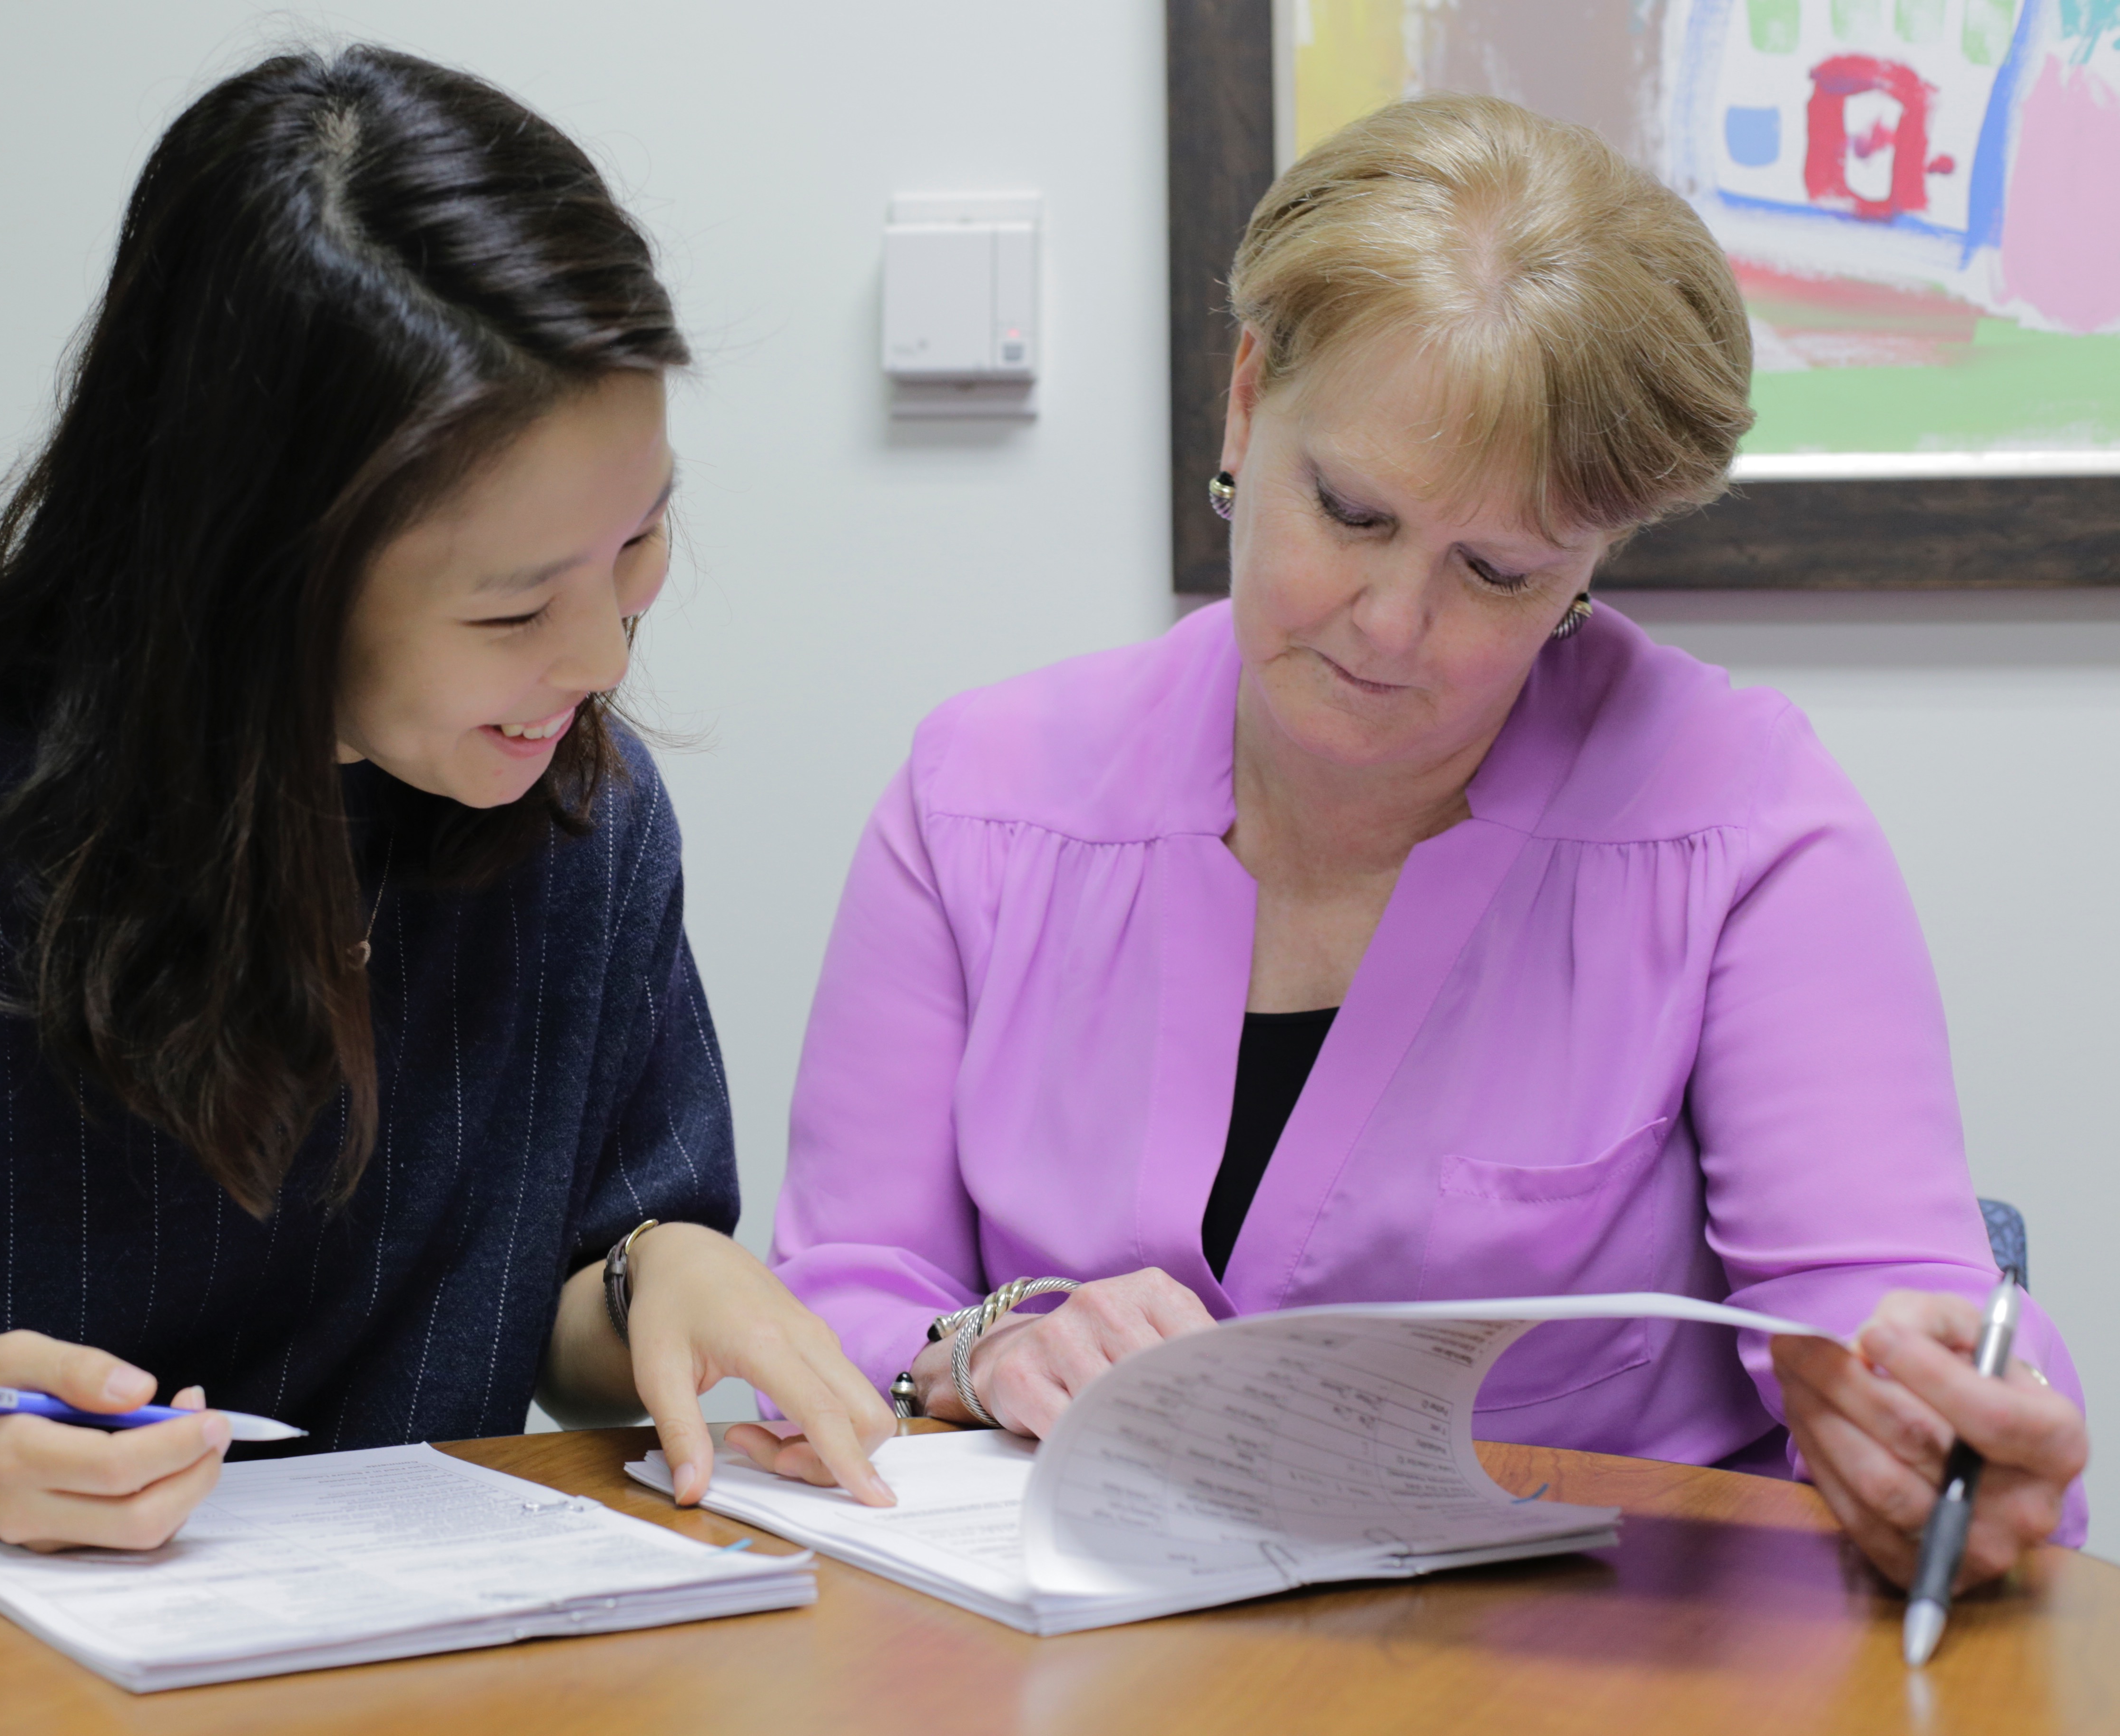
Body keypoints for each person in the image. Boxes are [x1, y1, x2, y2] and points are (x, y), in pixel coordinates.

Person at [0, 47, 890, 1732]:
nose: (604, 656)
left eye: (643, 544)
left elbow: (576, 1300)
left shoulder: (575, 829)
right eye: (514, 609)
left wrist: (655, 1278)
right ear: (260, 575)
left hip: (343, 1674)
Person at [739, 96, 2089, 1586]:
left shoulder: (1739, 827)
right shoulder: (981, 801)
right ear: (1249, 402)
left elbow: (1888, 1326)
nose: (1392, 626)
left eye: (1498, 570)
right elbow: (843, 1296)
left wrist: (1953, 1445)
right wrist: (988, 1346)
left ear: (1595, 556)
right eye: (1353, 512)